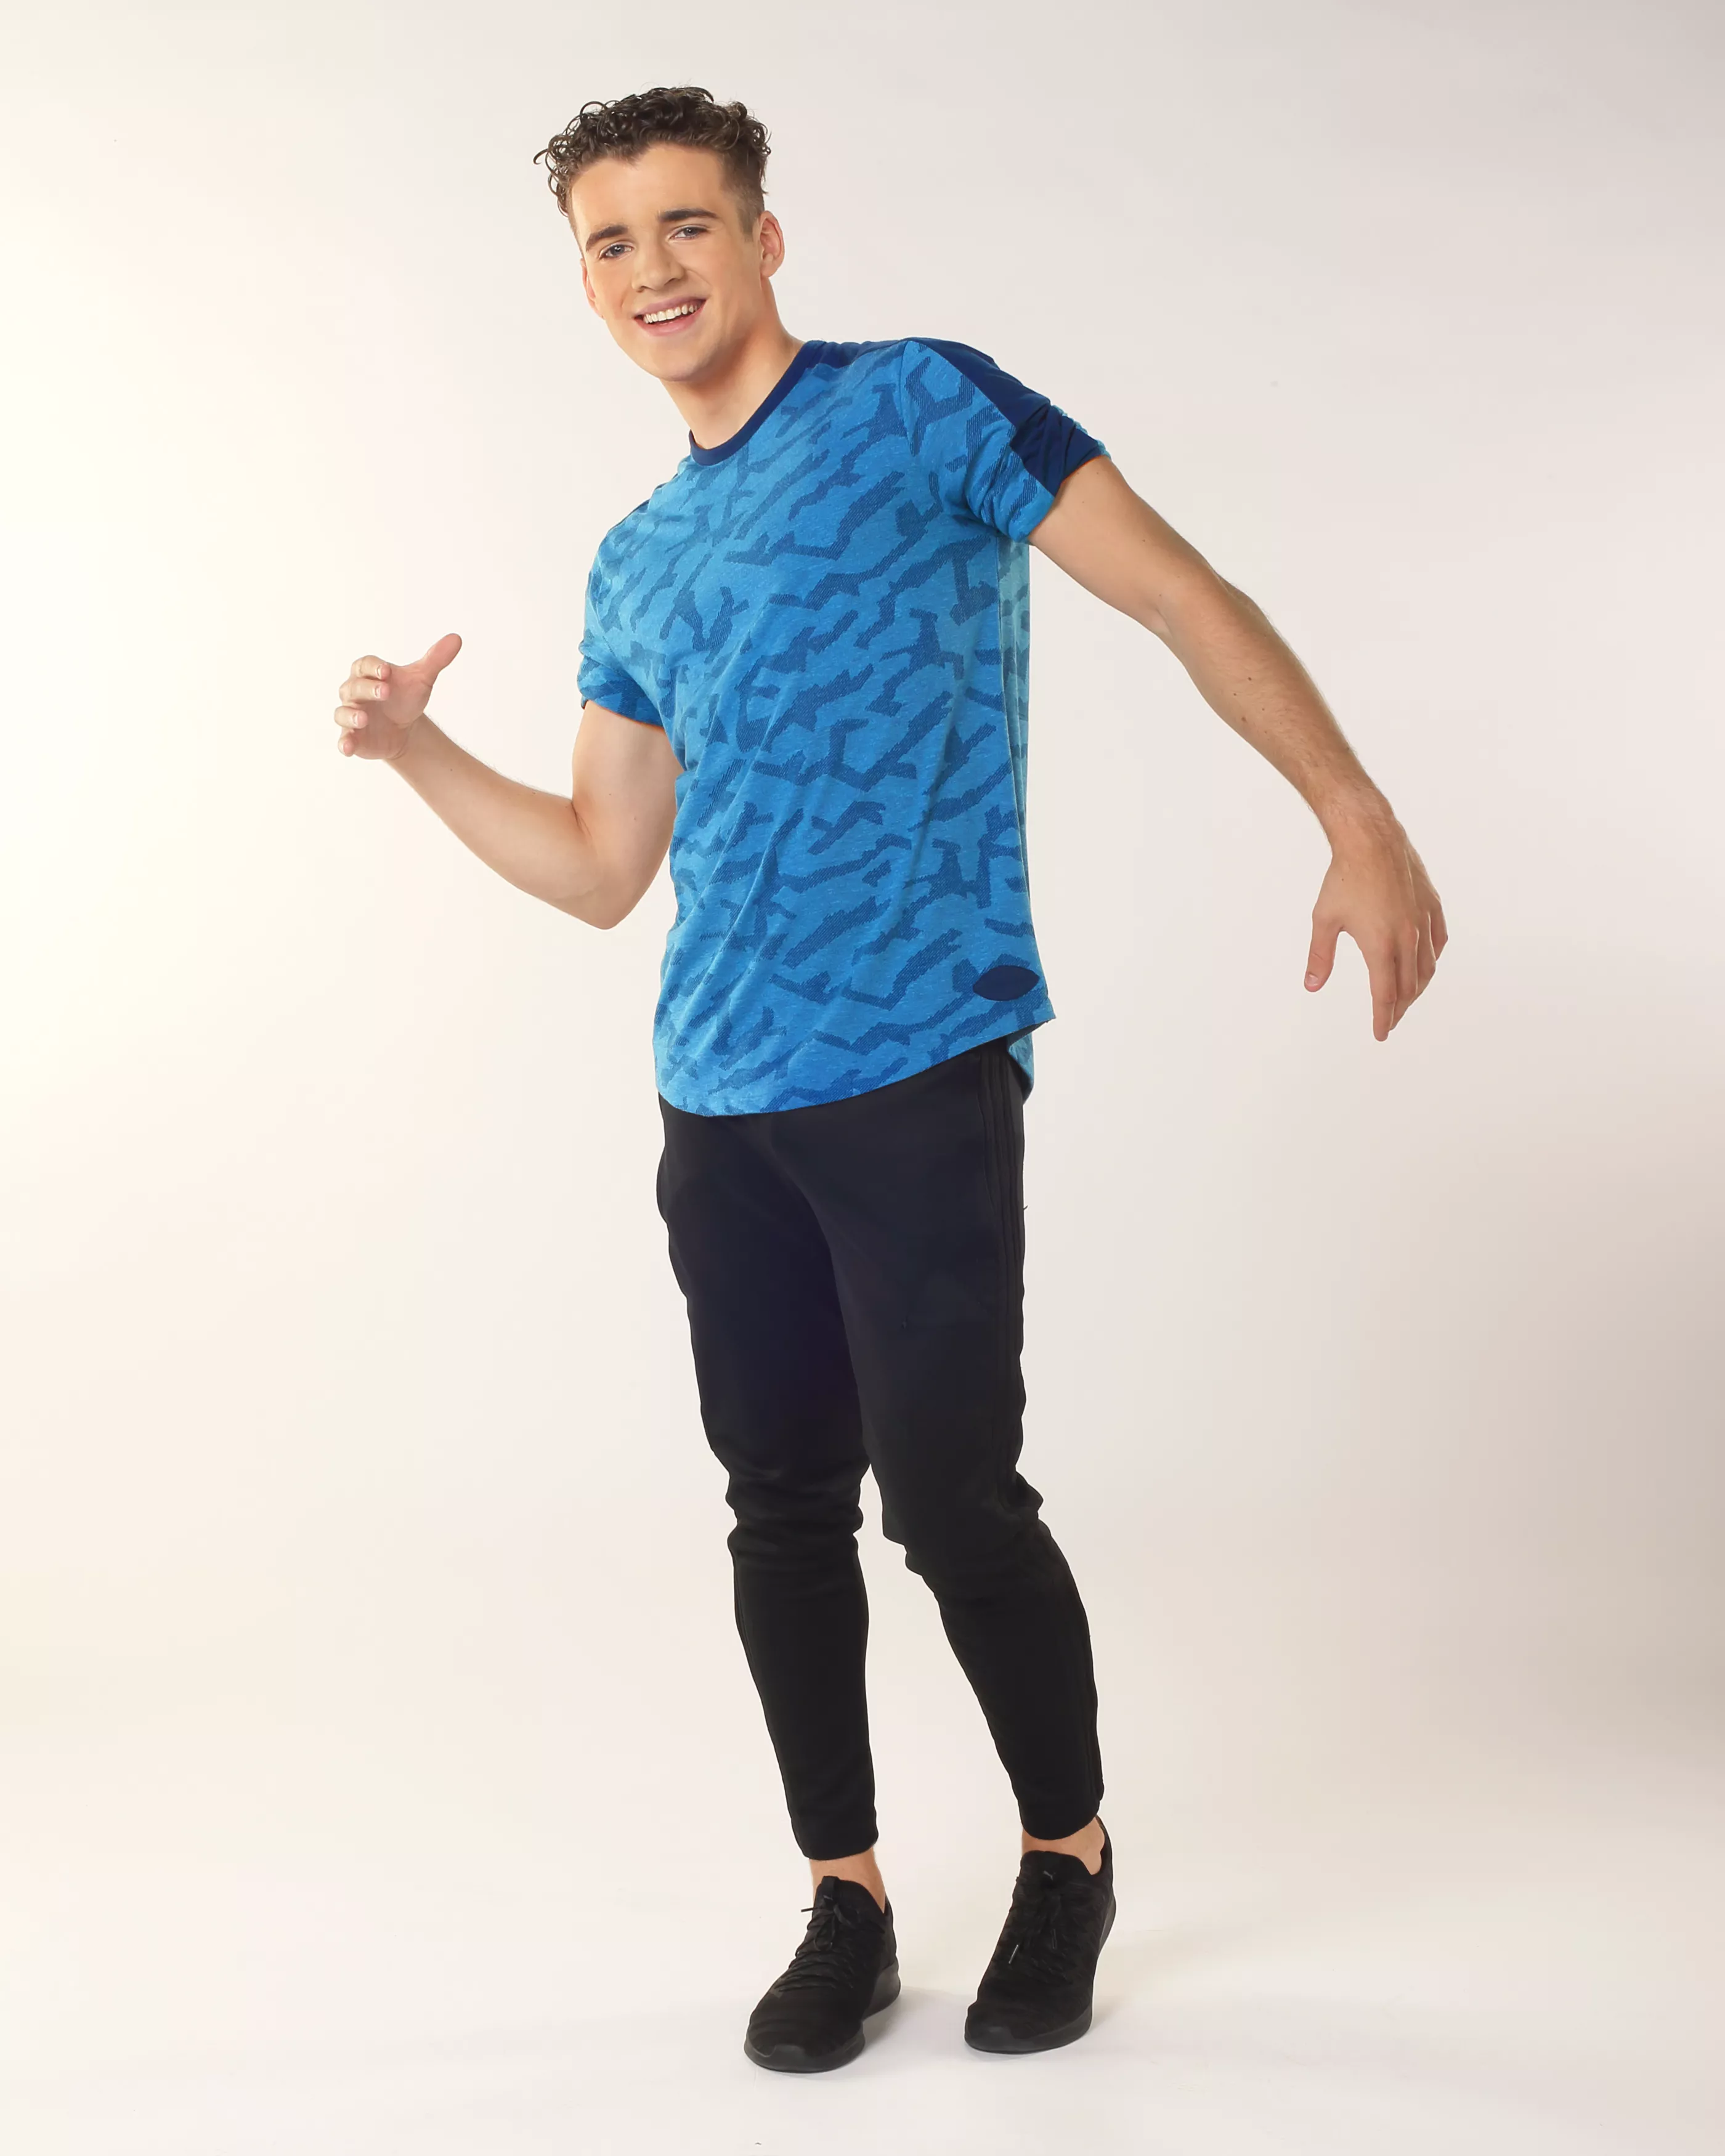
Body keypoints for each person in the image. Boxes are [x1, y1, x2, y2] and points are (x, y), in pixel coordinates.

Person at [331, 84, 1446, 2073]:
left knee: (948, 1497)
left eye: (688, 224)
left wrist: (1351, 811)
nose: (654, 268)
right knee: (780, 1508)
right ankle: (844, 1896)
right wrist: (420, 753)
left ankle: (1067, 1852)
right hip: (717, 1102)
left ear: (764, 238)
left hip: (918, 1065)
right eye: (610, 243)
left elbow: (1178, 588)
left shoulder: (925, 406)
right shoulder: (639, 560)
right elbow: (600, 866)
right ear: (583, 285)